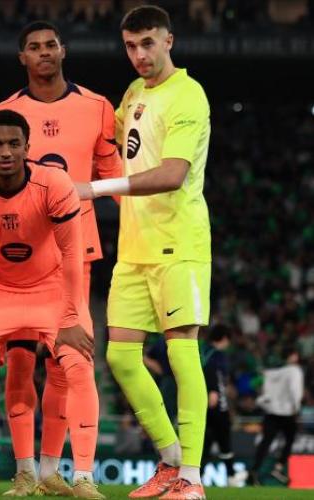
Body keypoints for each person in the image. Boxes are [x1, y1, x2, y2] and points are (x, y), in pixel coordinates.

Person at [77, 5, 212, 499]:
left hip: (180, 244)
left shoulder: (188, 95)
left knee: (182, 353)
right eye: (131, 46)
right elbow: (102, 140)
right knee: (120, 356)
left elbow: (172, 174)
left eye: (148, 43)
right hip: (135, 249)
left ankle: (192, 478)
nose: (139, 54)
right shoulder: (134, 92)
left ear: (168, 41)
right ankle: (170, 460)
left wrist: (92, 189)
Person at [0, 110, 102, 499]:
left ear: (28, 147)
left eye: (14, 144)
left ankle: (83, 478)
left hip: (51, 288)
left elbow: (72, 253)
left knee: (79, 363)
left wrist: (70, 317)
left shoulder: (55, 183)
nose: (6, 152)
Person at [0, 20, 122, 496]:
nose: (44, 52)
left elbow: (112, 173)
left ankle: (55, 470)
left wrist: (144, 214)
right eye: (34, 47)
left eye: (51, 45)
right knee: (19, 362)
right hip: (16, 257)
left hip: (75, 251)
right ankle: (25, 472)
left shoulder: (97, 107)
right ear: (22, 57)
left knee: (67, 362)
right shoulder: (6, 113)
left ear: (63, 51)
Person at [248, 348, 304, 486]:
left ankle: (254, 471)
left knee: (265, 443)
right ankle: (278, 467)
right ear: (293, 355)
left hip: (271, 411)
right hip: (287, 412)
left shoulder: (272, 372)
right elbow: (295, 391)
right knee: (290, 439)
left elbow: (259, 385)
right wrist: (296, 408)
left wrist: (262, 401)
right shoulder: (295, 371)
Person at [201, 325, 234, 477]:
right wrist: (213, 391)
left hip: (204, 400)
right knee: (223, 440)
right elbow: (213, 373)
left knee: (207, 441)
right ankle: (231, 475)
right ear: (224, 338)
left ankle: (196, 476)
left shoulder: (204, 351)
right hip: (217, 403)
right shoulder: (216, 355)